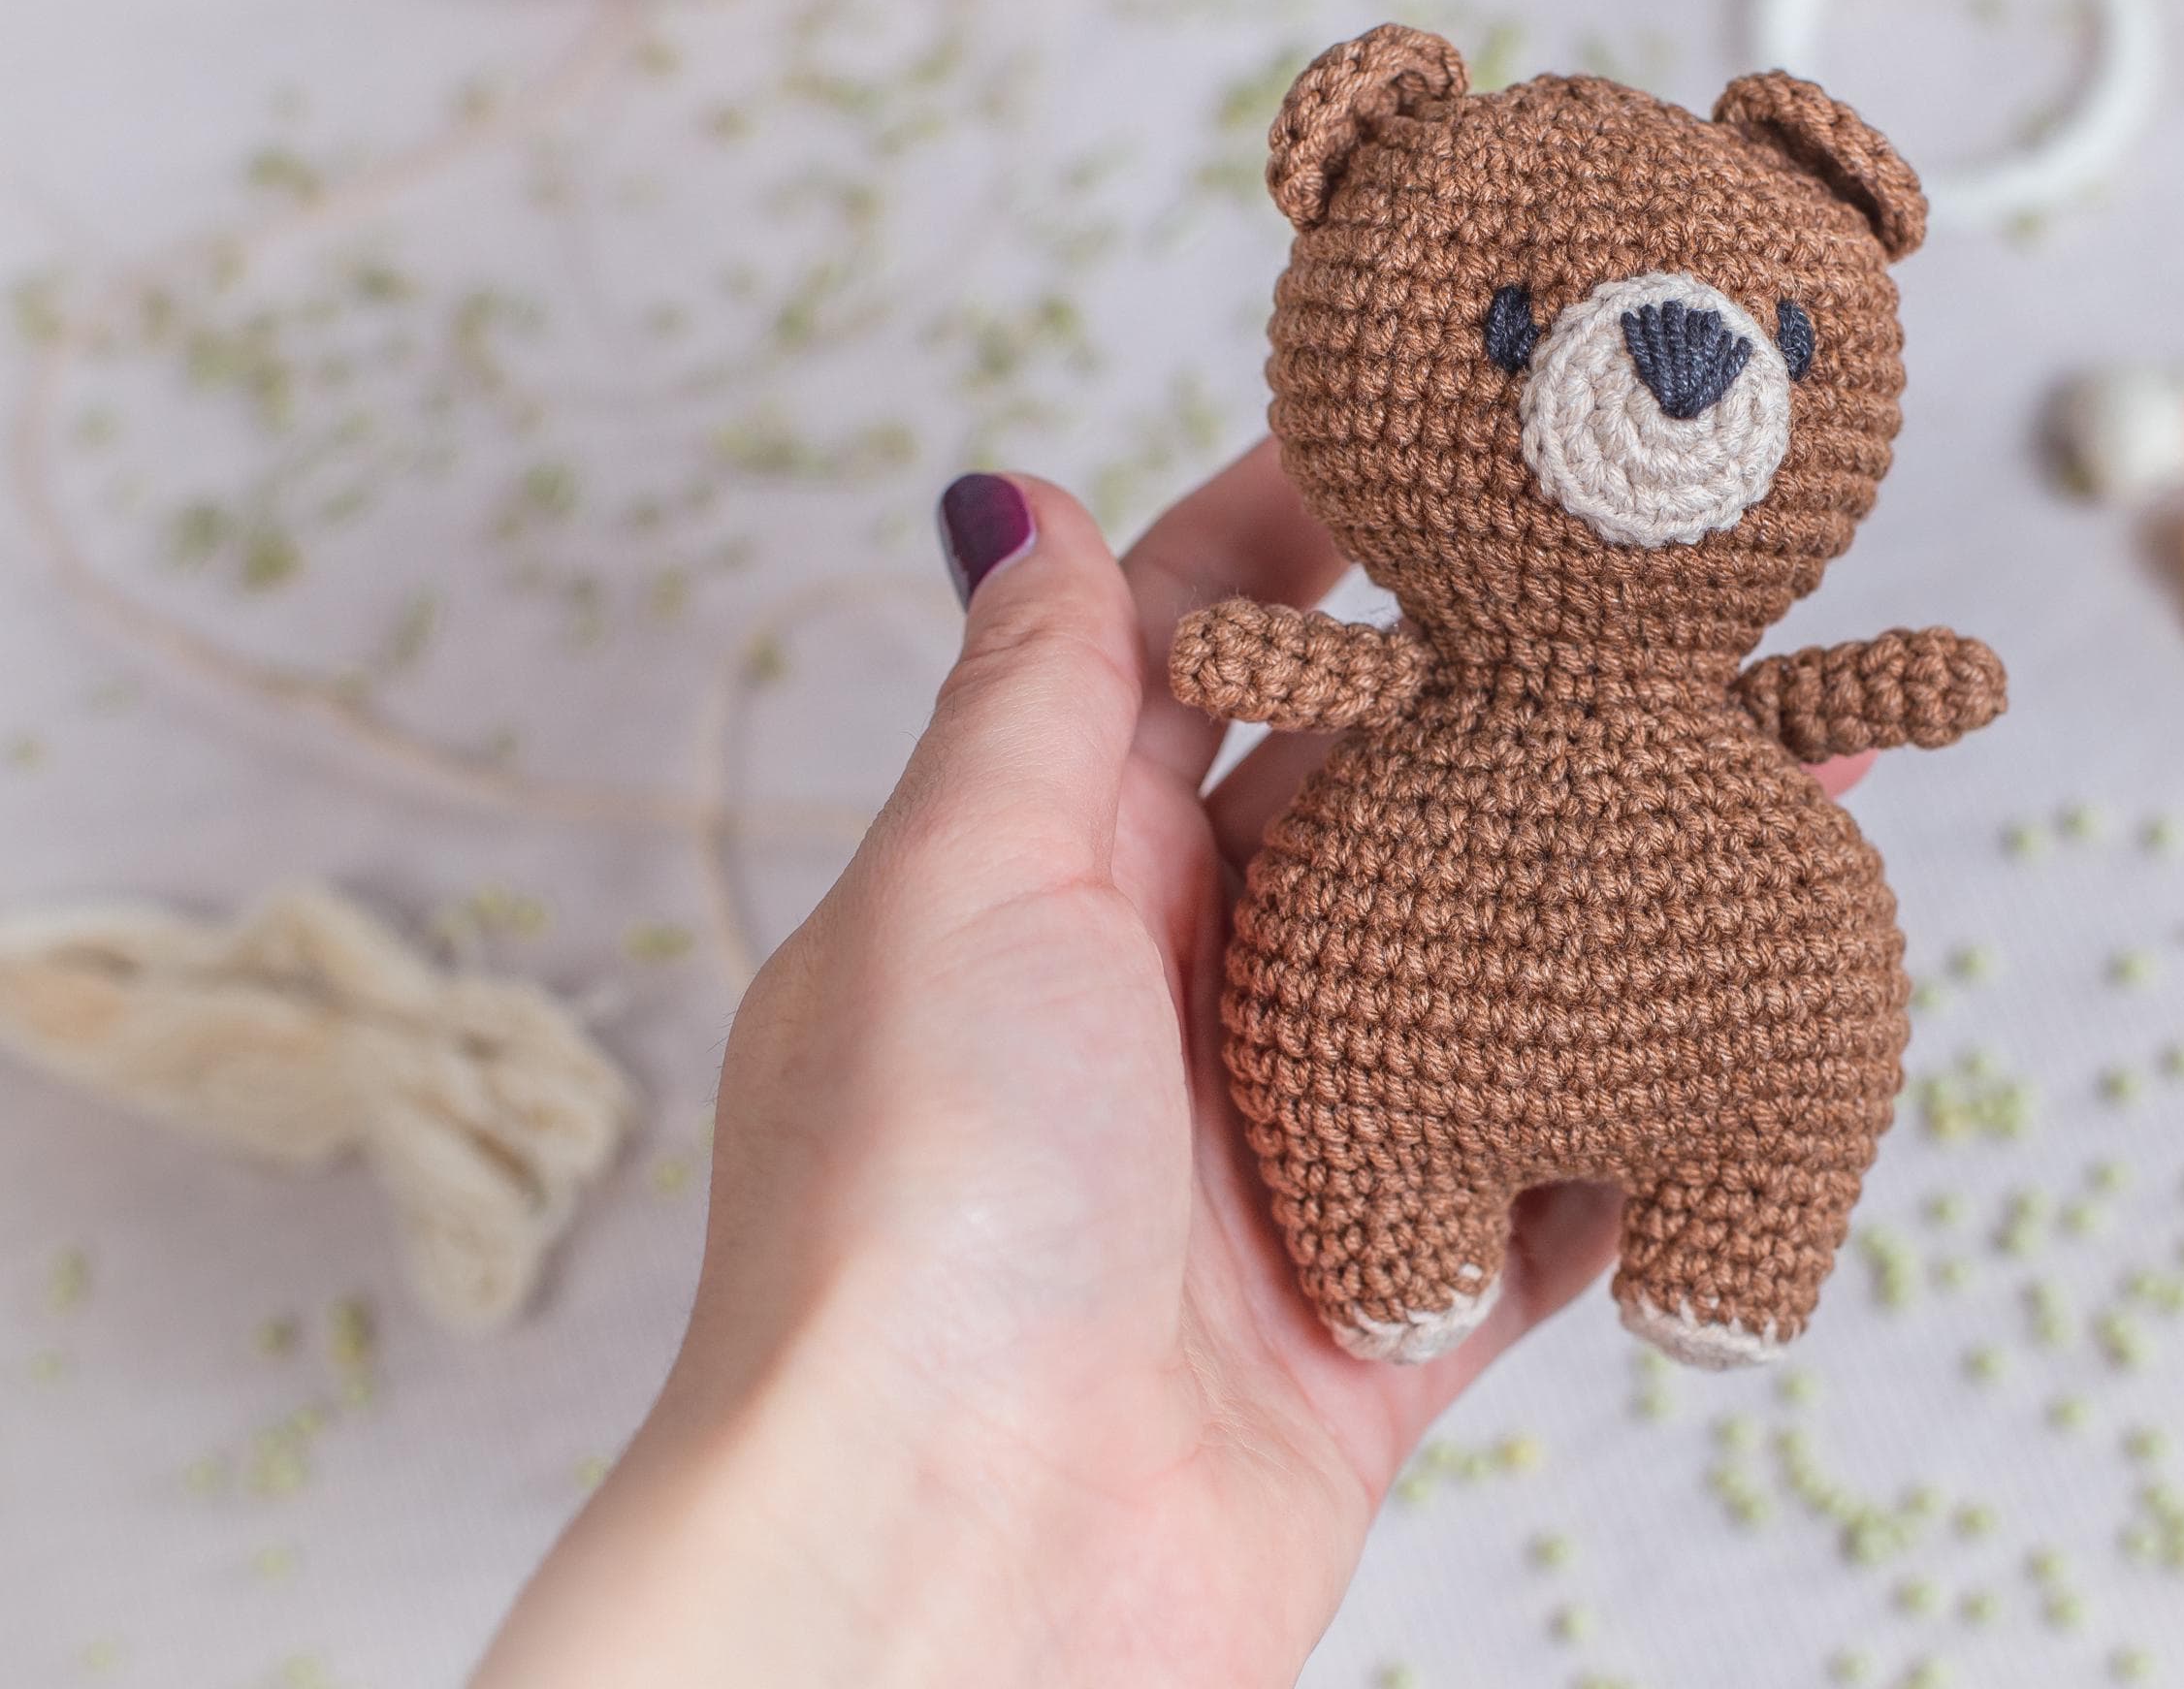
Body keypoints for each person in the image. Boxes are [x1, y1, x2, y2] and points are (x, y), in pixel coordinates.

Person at [475, 446, 1869, 1686]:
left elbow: (1252, 662)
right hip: (1384, 1038)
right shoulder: (1424, 657)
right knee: (1358, 1061)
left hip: (1711, 1002)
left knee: (1802, 1033)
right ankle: (1402, 1237)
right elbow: (1263, 665)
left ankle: (1725, 1233)